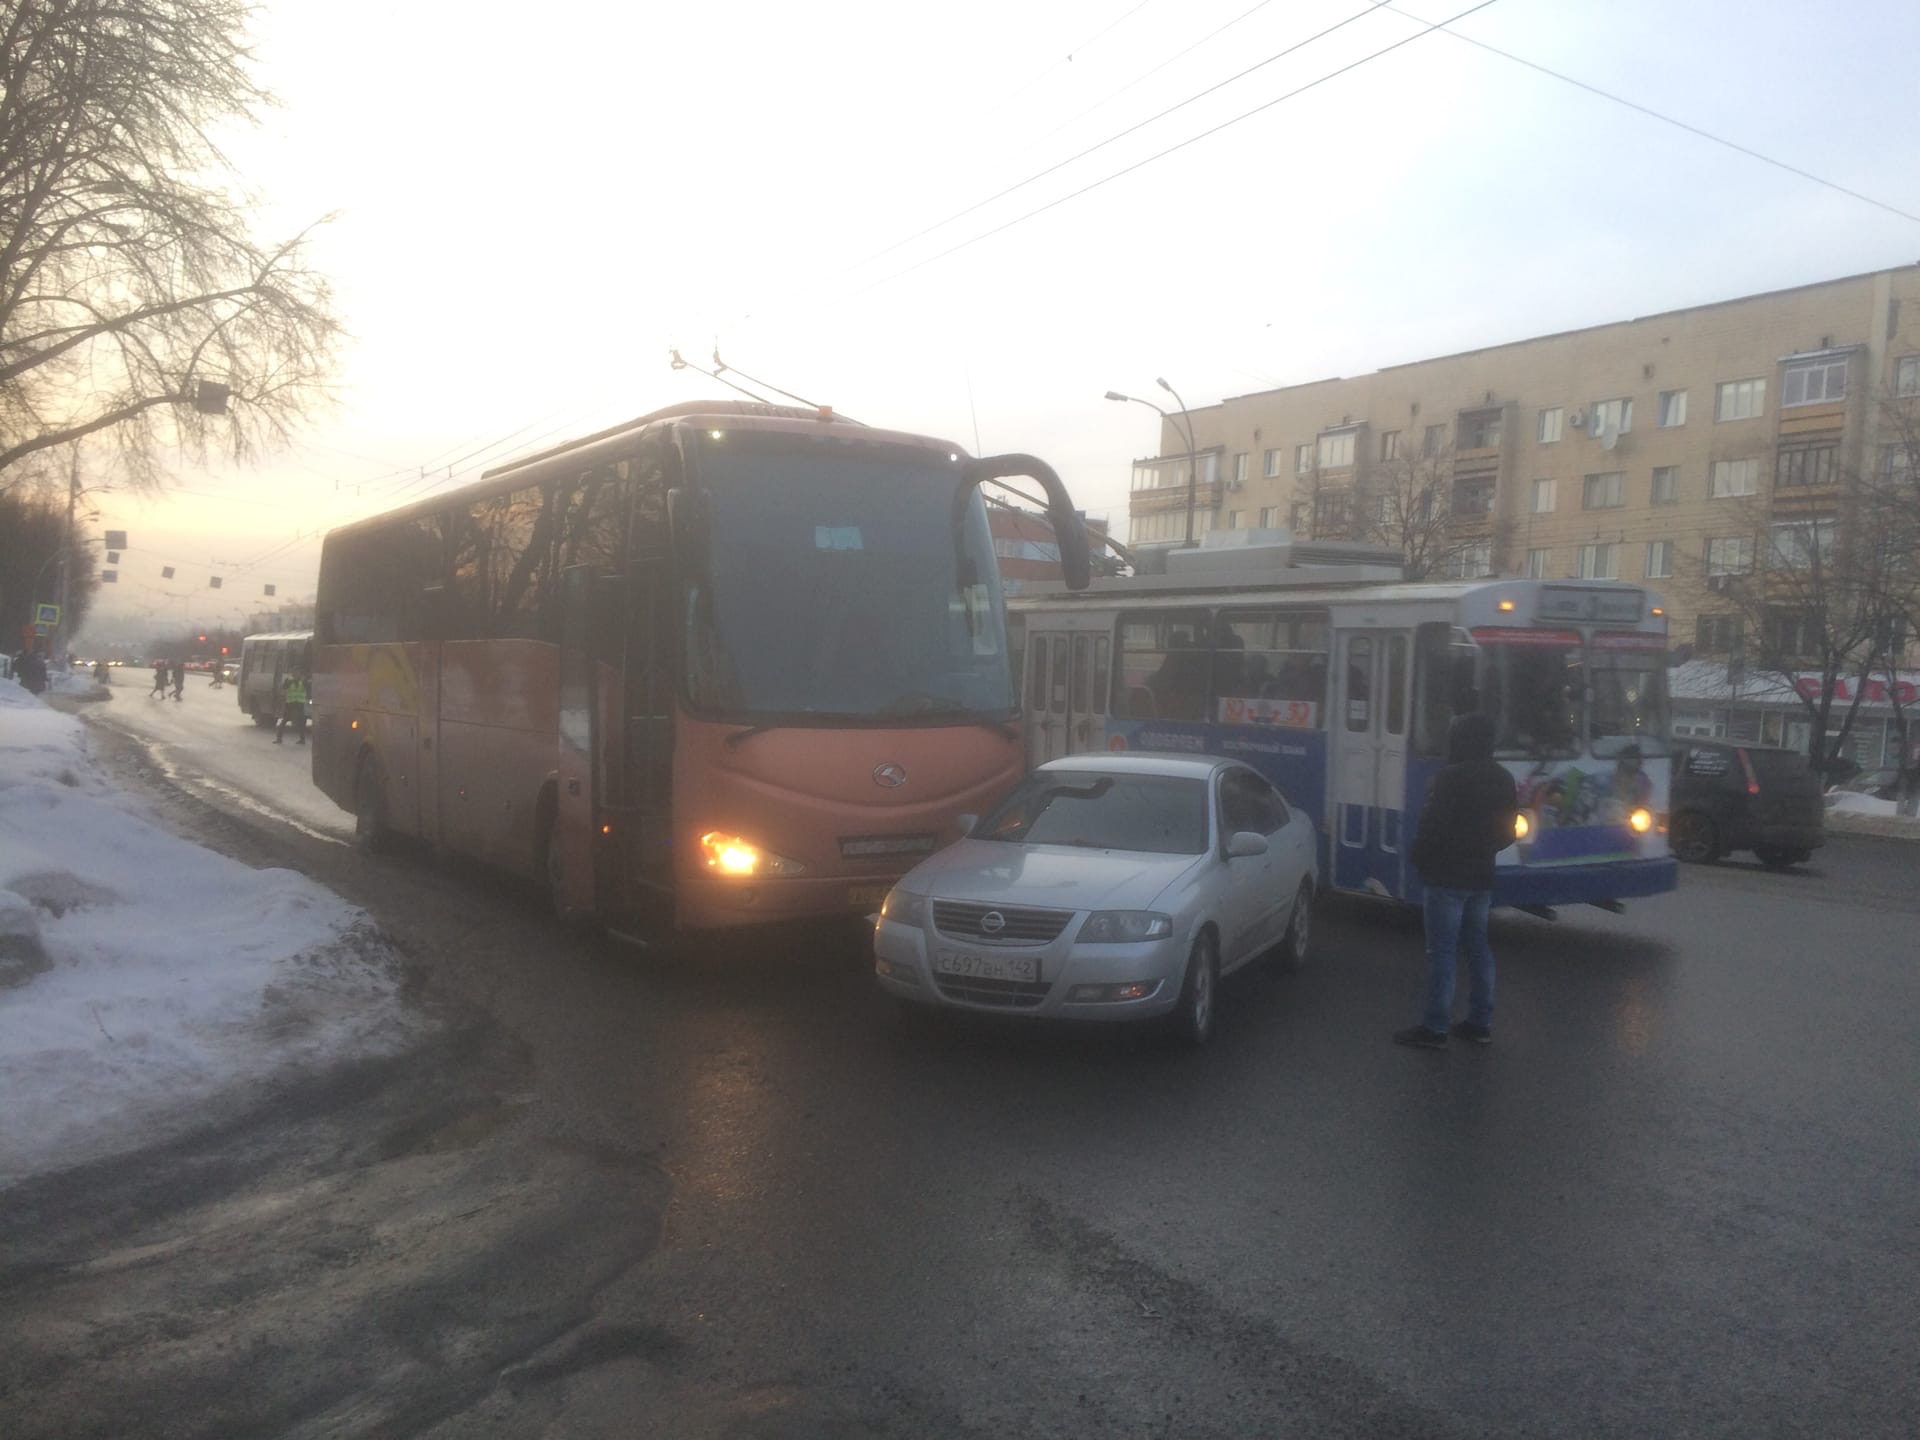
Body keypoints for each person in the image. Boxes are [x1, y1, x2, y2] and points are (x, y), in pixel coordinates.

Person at [1396, 710, 1519, 1049]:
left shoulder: (1450, 778)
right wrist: (1484, 850)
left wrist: (1420, 859)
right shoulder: (1504, 778)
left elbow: (1431, 827)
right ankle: (1480, 1022)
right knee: (1478, 947)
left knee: (1442, 952)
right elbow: (1509, 832)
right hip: (1482, 877)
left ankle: (1435, 1027)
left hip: (1446, 877)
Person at [275, 670, 309, 744]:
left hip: (299, 704)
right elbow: (283, 688)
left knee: (300, 722)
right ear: (293, 674)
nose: (296, 674)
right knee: (284, 721)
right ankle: (279, 738)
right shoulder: (289, 680)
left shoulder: (303, 681)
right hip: (290, 704)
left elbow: (308, 689)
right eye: (295, 673)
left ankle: (302, 739)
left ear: (300, 674)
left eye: (298, 673)